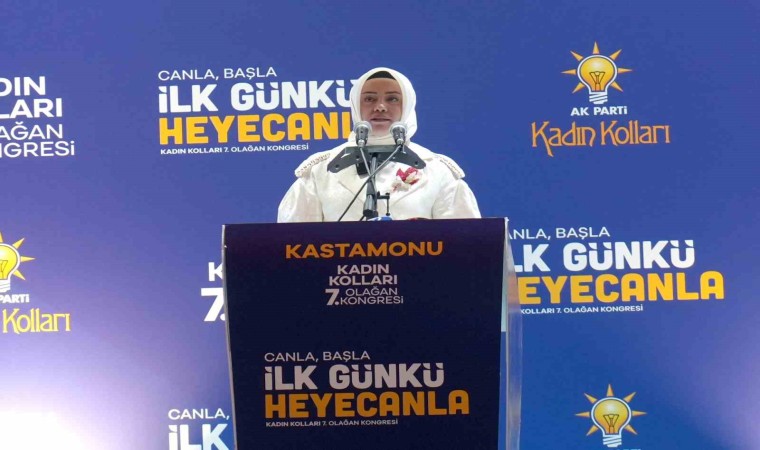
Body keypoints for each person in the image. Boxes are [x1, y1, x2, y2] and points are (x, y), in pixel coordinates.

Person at [277, 67, 481, 222]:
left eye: (392, 99)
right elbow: (290, 245)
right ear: (355, 105)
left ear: (408, 105)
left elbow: (464, 245)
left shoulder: (437, 170)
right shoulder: (320, 170)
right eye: (369, 99)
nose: (380, 107)